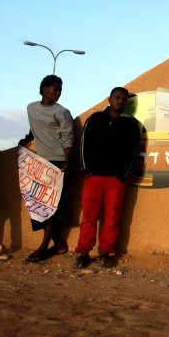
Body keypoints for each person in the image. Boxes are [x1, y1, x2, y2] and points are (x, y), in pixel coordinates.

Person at [74, 87, 141, 268]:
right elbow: (84, 144)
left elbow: (134, 151)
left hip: (116, 179)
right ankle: (84, 252)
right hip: (93, 176)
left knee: (112, 216)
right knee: (89, 215)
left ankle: (106, 252)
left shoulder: (131, 124)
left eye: (124, 99)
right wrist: (85, 170)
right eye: (117, 97)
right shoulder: (95, 119)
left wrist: (124, 175)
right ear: (109, 99)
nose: (120, 101)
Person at [19, 75, 74, 262]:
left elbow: (68, 137)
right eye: (55, 89)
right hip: (39, 163)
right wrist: (27, 139)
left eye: (60, 90)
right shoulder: (31, 108)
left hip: (58, 163)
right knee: (38, 205)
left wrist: (66, 161)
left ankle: (42, 248)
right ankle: (59, 243)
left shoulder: (62, 112)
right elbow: (34, 128)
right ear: (44, 89)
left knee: (52, 207)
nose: (58, 93)